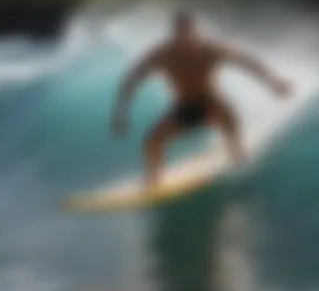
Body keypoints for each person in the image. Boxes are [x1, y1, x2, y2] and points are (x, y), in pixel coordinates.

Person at [111, 10, 293, 188]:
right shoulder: (162, 54)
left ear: (196, 31)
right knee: (152, 142)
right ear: (174, 33)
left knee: (229, 118)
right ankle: (153, 182)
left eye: (190, 31)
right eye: (180, 32)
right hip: (184, 106)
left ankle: (239, 159)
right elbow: (132, 79)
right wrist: (121, 112)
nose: (185, 37)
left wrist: (273, 81)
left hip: (211, 102)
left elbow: (246, 61)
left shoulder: (210, 49)